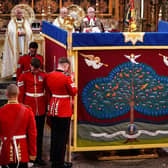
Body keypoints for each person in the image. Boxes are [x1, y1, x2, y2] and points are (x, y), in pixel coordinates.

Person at [46, 57, 77, 168]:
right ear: (65, 66)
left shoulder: (49, 75)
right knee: (62, 137)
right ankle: (58, 163)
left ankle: (53, 158)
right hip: (63, 109)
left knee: (54, 135)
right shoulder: (66, 77)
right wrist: (72, 80)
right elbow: (73, 92)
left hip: (53, 107)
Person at [17, 58, 47, 166]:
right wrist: (21, 107)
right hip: (28, 108)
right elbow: (20, 93)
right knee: (28, 134)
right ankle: (28, 156)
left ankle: (38, 156)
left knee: (39, 133)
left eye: (37, 70)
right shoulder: (24, 75)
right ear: (30, 66)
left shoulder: (43, 75)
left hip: (41, 107)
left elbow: (46, 91)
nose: (36, 72)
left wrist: (47, 105)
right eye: (34, 70)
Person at [0, 84, 37, 168]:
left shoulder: (1, 111)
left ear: (6, 94)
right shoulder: (27, 111)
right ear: (18, 94)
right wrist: (32, 154)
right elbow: (32, 135)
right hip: (22, 154)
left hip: (5, 153)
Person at [1, 7, 33, 78]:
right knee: (16, 56)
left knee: (24, 55)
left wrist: (25, 33)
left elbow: (29, 32)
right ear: (15, 14)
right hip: (15, 43)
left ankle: (25, 70)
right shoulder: (12, 22)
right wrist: (17, 33)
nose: (19, 14)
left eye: (20, 13)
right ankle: (15, 72)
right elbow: (10, 32)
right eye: (18, 13)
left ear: (23, 14)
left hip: (24, 42)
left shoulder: (26, 22)